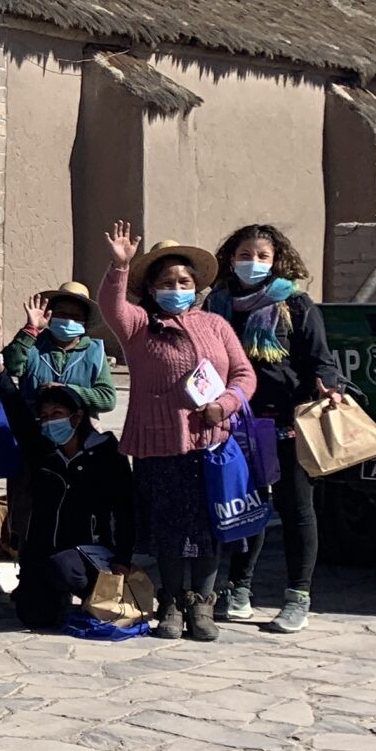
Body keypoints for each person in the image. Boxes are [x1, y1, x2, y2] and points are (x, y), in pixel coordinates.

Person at [99, 222, 256, 642]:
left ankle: (201, 605)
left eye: (184, 281)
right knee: (169, 531)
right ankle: (170, 602)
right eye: (167, 281)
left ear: (196, 285)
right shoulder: (139, 327)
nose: (176, 287)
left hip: (211, 443)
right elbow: (110, 307)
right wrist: (119, 267)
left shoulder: (216, 326)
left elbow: (243, 373)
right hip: (161, 444)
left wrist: (224, 404)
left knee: (209, 529)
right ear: (151, 288)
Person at [208, 223, 347, 634]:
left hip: (286, 423)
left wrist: (329, 385)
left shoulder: (295, 305)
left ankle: (297, 596)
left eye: (262, 256)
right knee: (244, 506)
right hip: (235, 423)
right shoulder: (215, 305)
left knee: (295, 509)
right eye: (244, 255)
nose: (252, 263)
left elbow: (319, 358)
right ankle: (239, 591)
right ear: (230, 259)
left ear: (276, 261)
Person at [0, 347, 136, 631]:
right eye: (45, 415)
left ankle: (94, 595)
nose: (50, 420)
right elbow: (16, 411)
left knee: (65, 566)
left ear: (77, 417)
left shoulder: (107, 455)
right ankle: (54, 596)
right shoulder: (43, 453)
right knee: (33, 616)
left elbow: (126, 509)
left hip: (91, 551)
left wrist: (123, 558)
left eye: (58, 413)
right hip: (43, 549)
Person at [2, 282, 117, 414]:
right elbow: (8, 367)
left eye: (76, 316)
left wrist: (67, 391)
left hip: (79, 427)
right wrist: (30, 330)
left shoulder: (95, 352)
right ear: (50, 316)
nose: (68, 320)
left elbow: (107, 399)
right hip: (34, 424)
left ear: (85, 321)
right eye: (62, 314)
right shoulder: (32, 345)